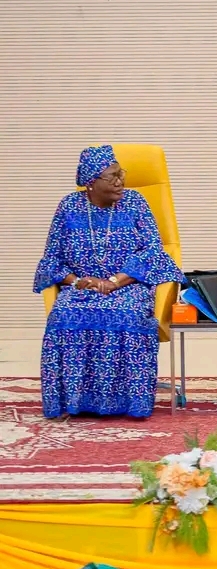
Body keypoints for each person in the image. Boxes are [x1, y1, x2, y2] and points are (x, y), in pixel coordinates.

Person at [33, 145, 184, 419]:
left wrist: (115, 281)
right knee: (65, 312)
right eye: (112, 176)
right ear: (91, 182)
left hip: (129, 286)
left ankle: (131, 402)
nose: (120, 181)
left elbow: (153, 251)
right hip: (82, 287)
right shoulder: (69, 207)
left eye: (120, 173)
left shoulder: (135, 202)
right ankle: (73, 401)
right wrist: (78, 281)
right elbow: (51, 259)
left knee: (127, 312)